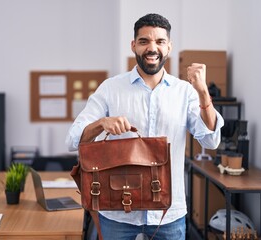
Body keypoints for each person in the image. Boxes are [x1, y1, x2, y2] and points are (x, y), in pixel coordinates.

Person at [66, 13, 224, 240]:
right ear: (133, 46)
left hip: (168, 214)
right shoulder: (110, 88)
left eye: (159, 41)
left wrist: (202, 91)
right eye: (144, 41)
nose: (152, 48)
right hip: (117, 213)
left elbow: (211, 140)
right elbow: (72, 139)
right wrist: (101, 123)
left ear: (169, 47)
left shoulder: (185, 92)